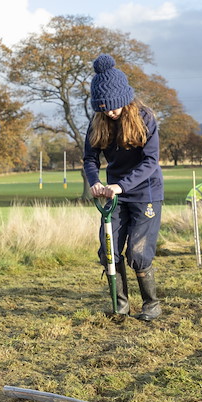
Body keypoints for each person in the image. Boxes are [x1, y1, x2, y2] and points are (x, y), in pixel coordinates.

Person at [83, 54, 164, 321]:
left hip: (146, 193)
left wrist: (122, 185)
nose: (109, 113)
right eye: (103, 108)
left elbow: (151, 161)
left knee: (138, 253)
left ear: (124, 100)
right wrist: (95, 181)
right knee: (108, 250)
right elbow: (90, 158)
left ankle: (152, 304)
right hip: (114, 195)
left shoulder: (145, 119)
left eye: (113, 108)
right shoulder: (98, 123)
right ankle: (121, 305)